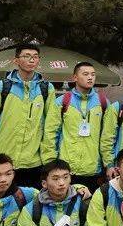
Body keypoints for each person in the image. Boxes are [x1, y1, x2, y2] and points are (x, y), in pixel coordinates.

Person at [0, 42, 55, 188]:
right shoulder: (2, 87)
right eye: (27, 56)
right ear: (16, 60)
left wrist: (49, 159)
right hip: (2, 161)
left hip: (33, 162)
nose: (32, 60)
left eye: (35, 57)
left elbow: (51, 126)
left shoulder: (46, 89)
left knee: (29, 206)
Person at [42, 62, 106, 192]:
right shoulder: (61, 102)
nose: (90, 77)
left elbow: (108, 136)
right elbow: (50, 133)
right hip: (66, 170)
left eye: (93, 75)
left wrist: (108, 164)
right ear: (75, 78)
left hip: (93, 169)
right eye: (85, 74)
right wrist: (50, 164)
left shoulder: (103, 102)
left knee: (89, 208)